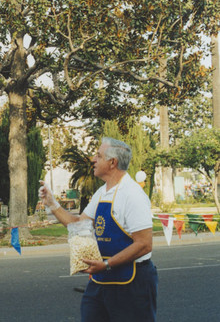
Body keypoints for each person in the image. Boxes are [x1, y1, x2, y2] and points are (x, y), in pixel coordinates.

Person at [39, 137, 157, 322]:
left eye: (98, 155)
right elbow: (79, 224)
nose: (93, 159)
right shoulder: (102, 193)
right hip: (101, 279)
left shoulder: (133, 195)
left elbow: (144, 244)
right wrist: (52, 203)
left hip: (131, 282)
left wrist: (107, 264)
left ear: (112, 163)